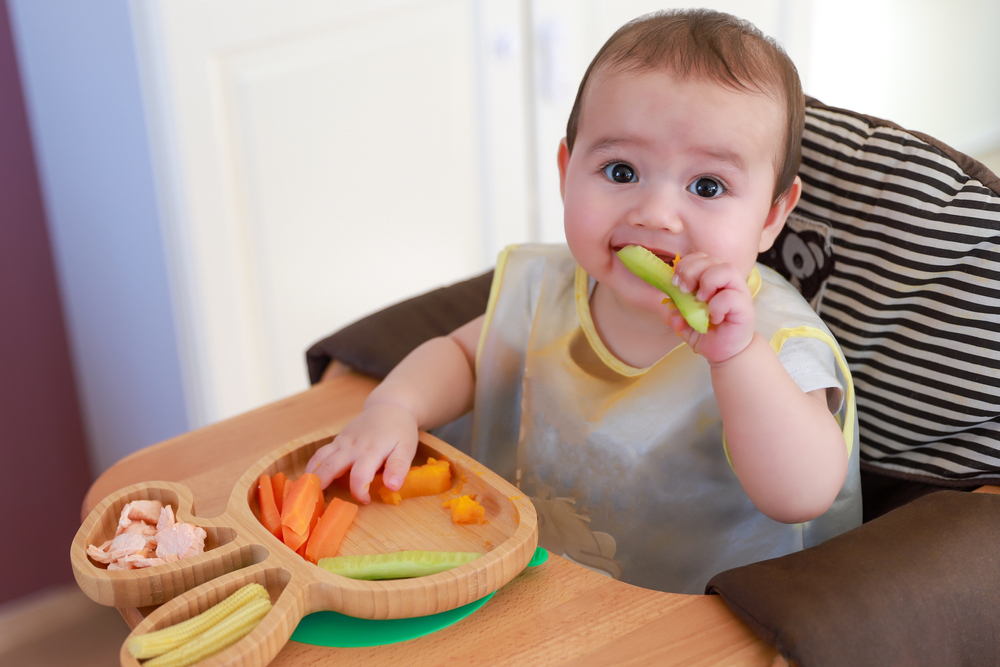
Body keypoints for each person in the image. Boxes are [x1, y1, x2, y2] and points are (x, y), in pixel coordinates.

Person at [307, 9, 862, 594]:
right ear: (567, 171)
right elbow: (464, 357)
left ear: (772, 216)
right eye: (621, 171)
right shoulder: (547, 288)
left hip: (682, 616)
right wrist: (394, 407)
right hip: (530, 581)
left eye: (707, 186)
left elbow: (802, 495)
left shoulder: (777, 342)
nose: (656, 214)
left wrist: (736, 356)